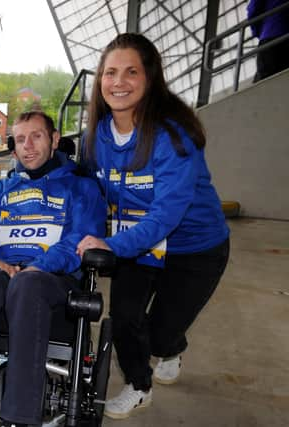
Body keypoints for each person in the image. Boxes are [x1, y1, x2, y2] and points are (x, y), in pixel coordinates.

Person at [75, 33, 230, 419]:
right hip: (137, 243)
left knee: (159, 336)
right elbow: (87, 189)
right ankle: (140, 386)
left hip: (194, 248)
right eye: (110, 72)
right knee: (126, 319)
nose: (119, 82)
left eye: (131, 72)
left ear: (150, 78)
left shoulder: (172, 135)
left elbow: (165, 216)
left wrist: (112, 247)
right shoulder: (95, 136)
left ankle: (174, 346)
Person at [0, 111, 106, 427]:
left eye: (36, 136)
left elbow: (81, 239)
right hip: (6, 273)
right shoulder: (3, 190)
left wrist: (39, 267)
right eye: (20, 140)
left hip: (53, 279)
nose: (28, 146)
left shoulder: (81, 188)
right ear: (14, 149)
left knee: (28, 285)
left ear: (54, 140)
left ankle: (19, 418)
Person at [247, 0, 289, 82]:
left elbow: (252, 10)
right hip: (285, 35)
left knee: (264, 77)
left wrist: (257, 32)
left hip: (270, 35)